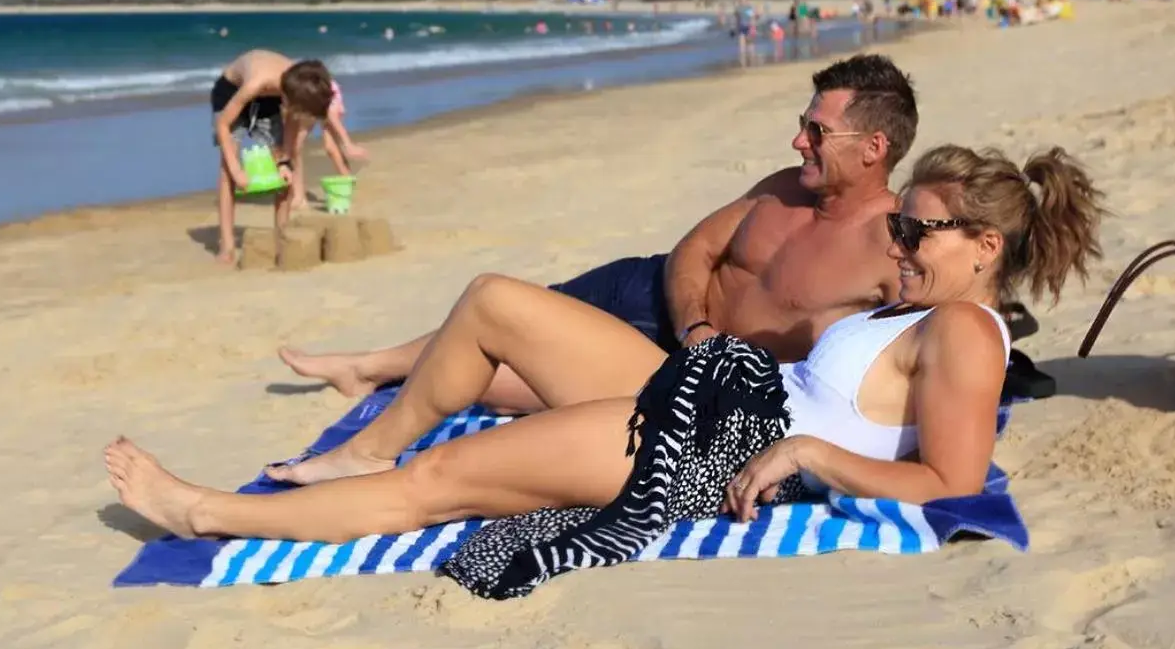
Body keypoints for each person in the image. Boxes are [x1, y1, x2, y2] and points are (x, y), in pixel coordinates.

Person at [104, 144, 1103, 598]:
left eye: (912, 227)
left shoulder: (968, 333)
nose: (893, 237)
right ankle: (362, 438)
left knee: (448, 481)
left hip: (733, 446)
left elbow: (954, 483)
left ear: (977, 244)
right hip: (721, 396)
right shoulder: (919, 302)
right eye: (896, 220)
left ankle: (207, 514)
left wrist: (808, 449)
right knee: (497, 297)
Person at [279, 54, 918, 413]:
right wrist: (695, 322)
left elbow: (922, 347)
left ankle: (383, 377)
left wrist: (706, 356)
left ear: (873, 147)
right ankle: (369, 364)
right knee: (507, 311)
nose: (797, 140)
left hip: (686, 369)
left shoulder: (891, 253)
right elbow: (696, 247)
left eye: (816, 132)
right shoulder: (783, 184)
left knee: (514, 374)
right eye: (801, 123)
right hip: (655, 287)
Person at [210, 50, 336, 265]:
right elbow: (222, 124)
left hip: (271, 97)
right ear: (289, 100)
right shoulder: (258, 82)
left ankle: (282, 236)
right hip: (233, 91)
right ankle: (227, 244)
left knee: (284, 172)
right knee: (227, 171)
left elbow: (290, 133)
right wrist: (236, 168)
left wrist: (284, 163)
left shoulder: (300, 87)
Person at [288, 77, 368, 213]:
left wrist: (348, 144)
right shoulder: (298, 93)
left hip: (329, 97)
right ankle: (299, 196)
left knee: (331, 148)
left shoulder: (327, 100)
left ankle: (346, 185)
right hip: (309, 98)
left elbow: (333, 118)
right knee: (295, 147)